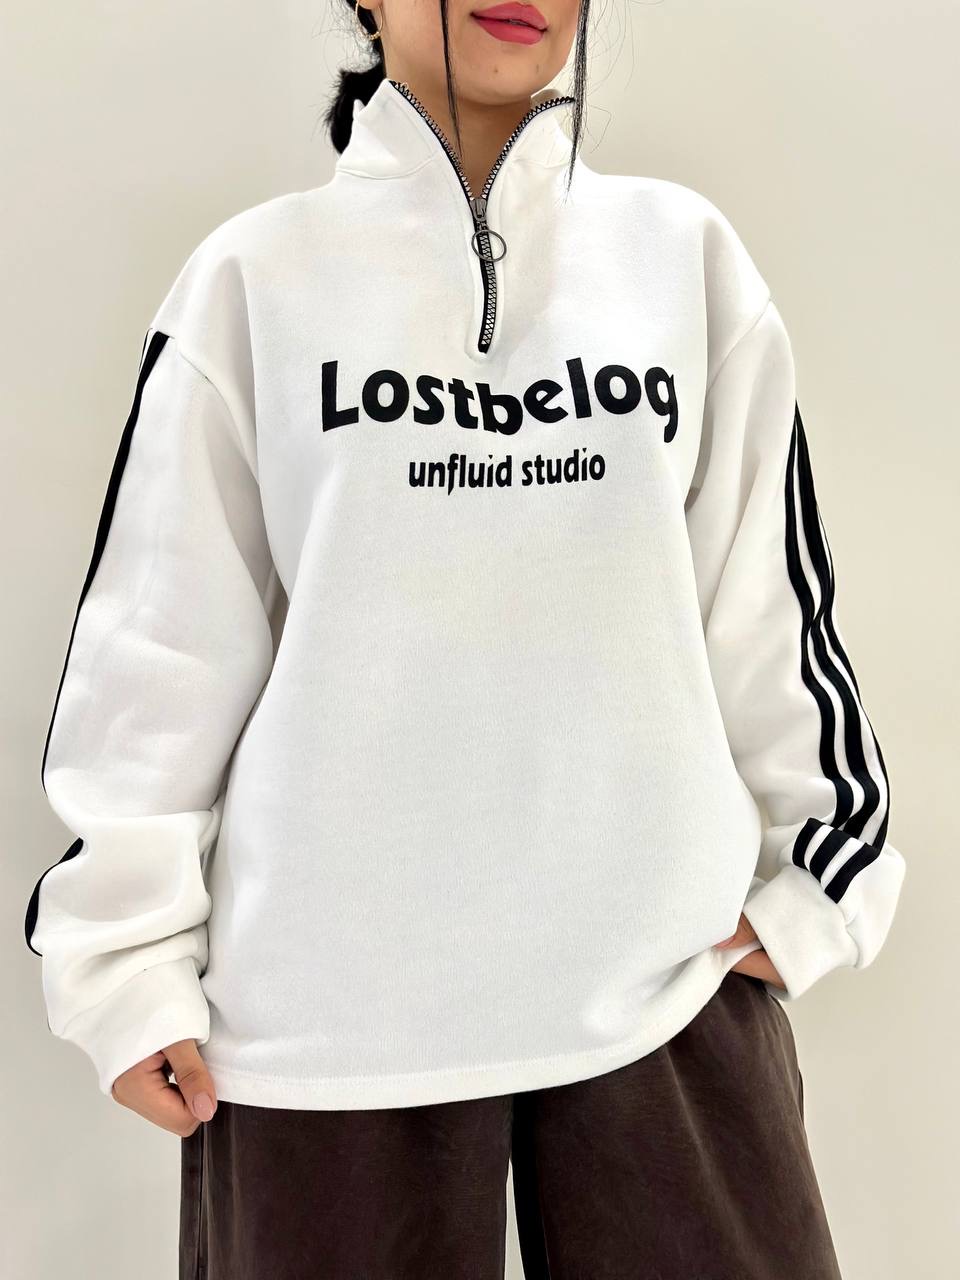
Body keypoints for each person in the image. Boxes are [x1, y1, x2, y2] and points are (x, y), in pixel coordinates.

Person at [23, 0, 906, 1275]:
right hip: (322, 1035)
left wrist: (821, 877)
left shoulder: (684, 262)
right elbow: (158, 647)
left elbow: (769, 609)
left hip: (666, 998)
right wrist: (124, 961)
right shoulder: (254, 282)